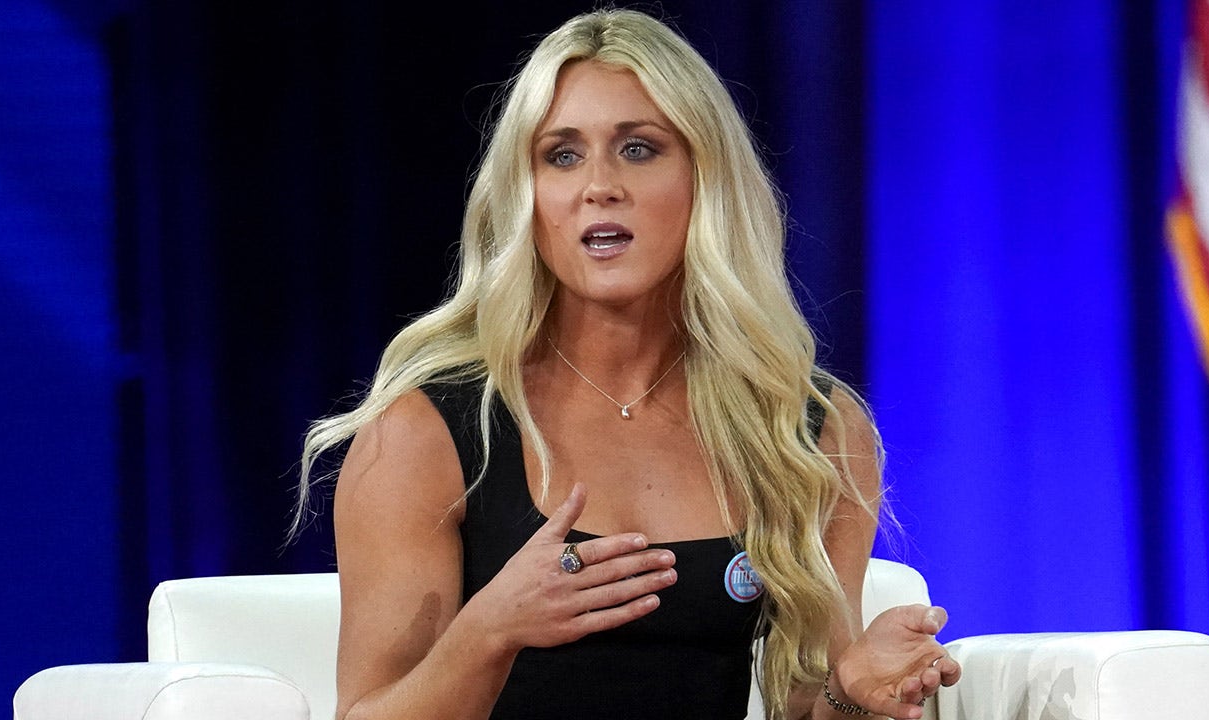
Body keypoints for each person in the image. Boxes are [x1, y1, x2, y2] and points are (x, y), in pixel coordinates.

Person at [295, 7, 961, 720]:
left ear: (705, 179)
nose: (598, 185)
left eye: (639, 149)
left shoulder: (807, 430)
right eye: (562, 154)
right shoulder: (426, 435)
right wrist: (490, 631)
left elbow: (808, 706)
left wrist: (851, 694)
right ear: (527, 195)